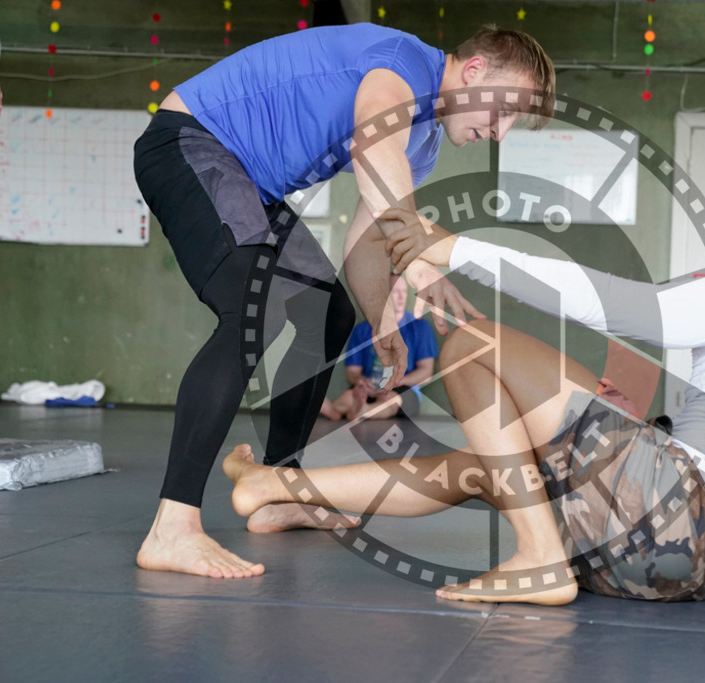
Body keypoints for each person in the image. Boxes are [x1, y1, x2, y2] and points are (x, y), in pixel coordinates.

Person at [222, 218, 705, 604]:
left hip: (662, 509)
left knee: (463, 338)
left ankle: (536, 560)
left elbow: (602, 303)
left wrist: (452, 248)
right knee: (493, 465)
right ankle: (284, 493)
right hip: (687, 575)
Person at [132, 23, 555, 578]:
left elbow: (365, 243)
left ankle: (280, 492)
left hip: (250, 184)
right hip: (192, 141)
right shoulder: (402, 63)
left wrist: (384, 323)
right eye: (501, 113)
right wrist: (423, 262)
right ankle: (172, 526)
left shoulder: (422, 143)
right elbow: (372, 140)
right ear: (474, 72)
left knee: (328, 315)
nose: (499, 133)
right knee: (251, 309)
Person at [320, 275, 437, 421]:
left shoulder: (420, 328)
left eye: (404, 291)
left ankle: (364, 411)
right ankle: (334, 411)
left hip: (402, 388)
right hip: (370, 387)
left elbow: (426, 372)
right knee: (349, 396)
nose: (401, 297)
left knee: (391, 400)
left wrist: (397, 382)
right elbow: (352, 372)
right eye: (395, 292)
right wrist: (362, 381)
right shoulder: (362, 330)